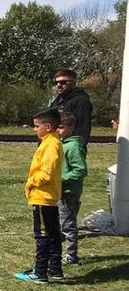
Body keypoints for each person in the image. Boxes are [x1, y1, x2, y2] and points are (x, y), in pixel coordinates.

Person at [14, 108, 63, 284]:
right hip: (48, 196)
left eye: (36, 126)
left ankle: (40, 273)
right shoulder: (52, 142)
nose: (34, 130)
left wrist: (31, 182)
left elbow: (46, 173)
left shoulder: (50, 144)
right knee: (53, 233)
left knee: (42, 235)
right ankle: (54, 268)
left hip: (43, 197)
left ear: (48, 126)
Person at [57, 111, 88, 265]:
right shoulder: (60, 144)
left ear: (72, 127)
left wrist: (62, 179)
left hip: (69, 193)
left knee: (68, 224)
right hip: (58, 191)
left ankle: (71, 255)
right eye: (56, 127)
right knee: (59, 222)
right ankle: (57, 251)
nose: (58, 130)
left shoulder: (73, 146)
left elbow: (81, 170)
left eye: (61, 127)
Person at [49, 68, 92, 150]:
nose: (58, 85)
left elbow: (82, 128)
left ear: (74, 82)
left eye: (63, 82)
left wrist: (75, 148)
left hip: (69, 149)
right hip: (54, 147)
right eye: (56, 82)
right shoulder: (56, 102)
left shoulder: (81, 101)